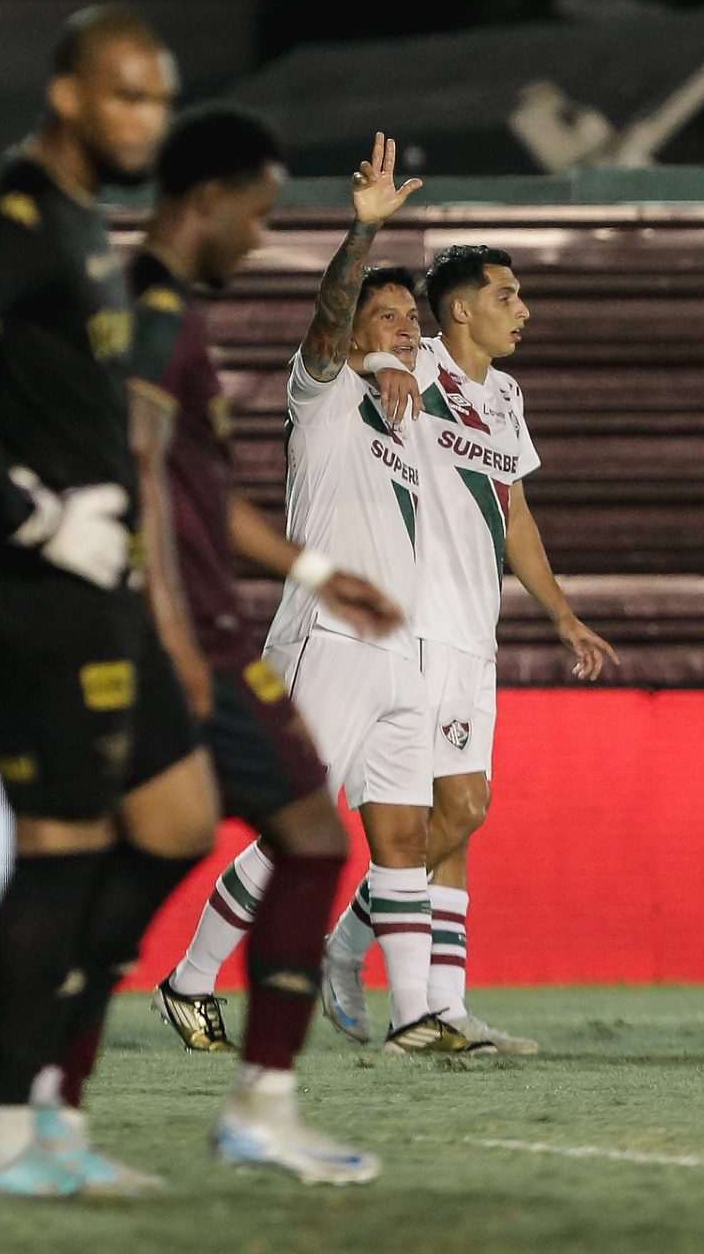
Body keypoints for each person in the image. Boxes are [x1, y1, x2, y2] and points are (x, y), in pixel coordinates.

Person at [0, 5, 219, 1197]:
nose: (148, 118)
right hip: (34, 586)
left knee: (181, 818)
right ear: (71, 95)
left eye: (160, 98)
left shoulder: (89, 224)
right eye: (128, 95)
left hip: (105, 590)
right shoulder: (19, 213)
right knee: (63, 852)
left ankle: (35, 1082)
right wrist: (28, 510)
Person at [60, 106, 396, 1184]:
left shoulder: (175, 318)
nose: (258, 236)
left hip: (203, 630)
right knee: (181, 854)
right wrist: (163, 629)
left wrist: (310, 566)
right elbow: (139, 480)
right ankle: (43, 1101)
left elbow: (201, 492)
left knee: (288, 836)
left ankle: (242, 1100)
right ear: (205, 200)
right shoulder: (152, 317)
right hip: (173, 639)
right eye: (254, 214)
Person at [160, 135, 488, 1055]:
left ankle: (417, 1011)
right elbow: (330, 308)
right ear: (351, 334)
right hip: (327, 644)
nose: (404, 332)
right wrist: (361, 234)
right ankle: (187, 983)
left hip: (401, 653)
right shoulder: (327, 394)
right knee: (293, 829)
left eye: (409, 322)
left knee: (404, 832)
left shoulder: (407, 417)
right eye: (387, 320)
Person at [315, 244, 618, 1055]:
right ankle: (353, 957)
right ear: (460, 311)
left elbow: (513, 514)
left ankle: (440, 1002)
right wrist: (382, 356)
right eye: (508, 296)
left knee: (463, 816)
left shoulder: (506, 396)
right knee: (443, 814)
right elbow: (356, 348)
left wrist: (561, 615)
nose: (523, 311)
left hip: (473, 630)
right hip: (413, 632)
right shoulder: (417, 365)